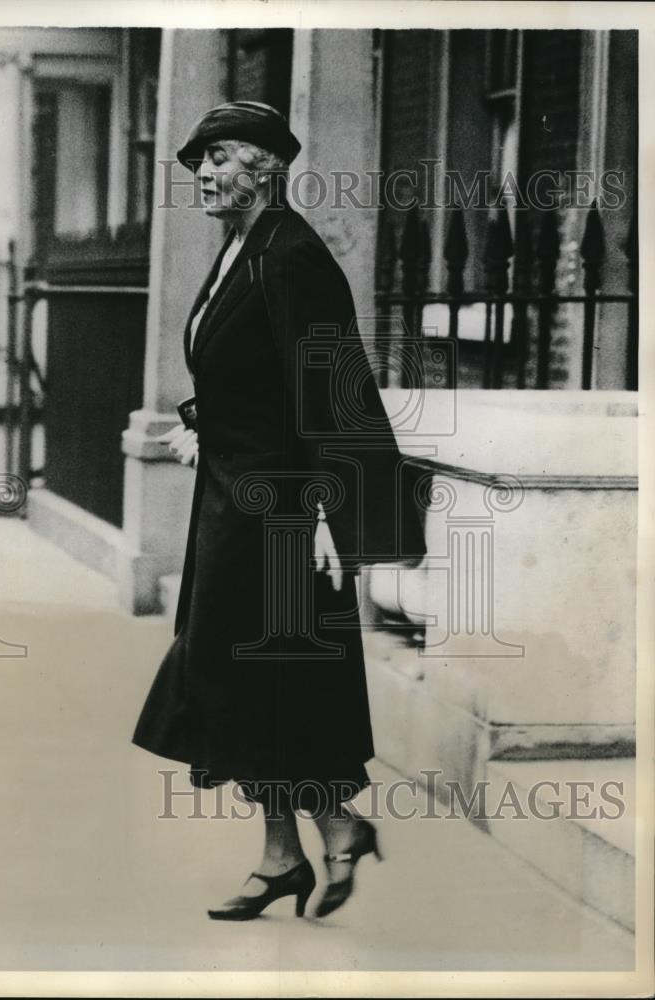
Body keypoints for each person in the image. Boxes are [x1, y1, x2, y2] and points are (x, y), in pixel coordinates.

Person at [132, 101, 426, 920]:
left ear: (265, 167)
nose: (204, 173)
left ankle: (321, 835)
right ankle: (292, 851)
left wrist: (335, 512)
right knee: (243, 679)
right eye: (200, 161)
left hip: (286, 515)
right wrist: (204, 424)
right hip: (234, 501)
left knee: (259, 678)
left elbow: (334, 389)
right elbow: (254, 372)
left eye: (220, 157)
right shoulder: (241, 248)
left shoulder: (292, 254)